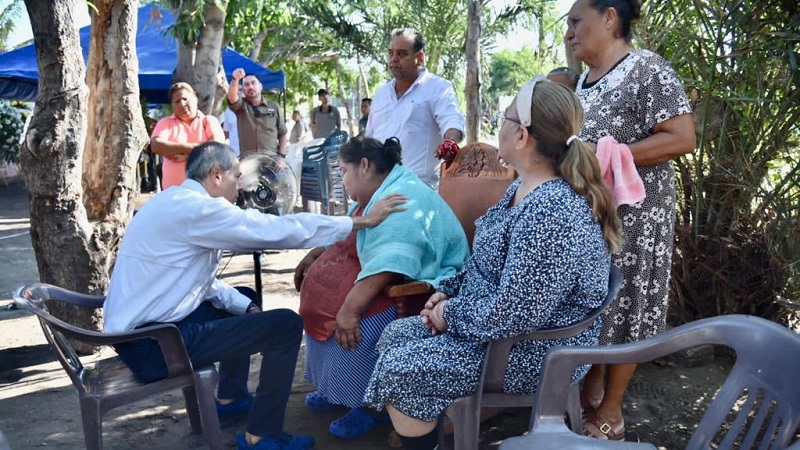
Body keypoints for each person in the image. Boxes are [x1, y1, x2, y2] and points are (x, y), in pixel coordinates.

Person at [362, 77, 623, 450]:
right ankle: (428, 432)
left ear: (522, 137)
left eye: (506, 117)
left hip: (535, 351)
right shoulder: (523, 188)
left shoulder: (550, 212)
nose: (499, 125)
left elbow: (515, 314)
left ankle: (424, 435)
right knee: (394, 336)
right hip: (503, 332)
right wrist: (446, 293)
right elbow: (487, 261)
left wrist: (449, 314)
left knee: (402, 368)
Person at [104, 141, 407, 450]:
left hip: (143, 335)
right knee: (285, 326)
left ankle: (230, 397)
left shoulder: (171, 200)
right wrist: (358, 221)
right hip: (154, 346)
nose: (243, 184)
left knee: (243, 297)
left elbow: (193, 283)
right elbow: (270, 229)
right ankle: (262, 436)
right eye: (237, 176)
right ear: (216, 174)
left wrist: (247, 307)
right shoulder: (197, 209)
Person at [565, 0, 696, 441]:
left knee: (631, 307)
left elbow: (682, 136)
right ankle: (592, 390)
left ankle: (613, 413)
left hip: (639, 217)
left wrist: (609, 155)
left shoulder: (647, 69)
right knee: (600, 304)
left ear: (609, 18)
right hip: (597, 217)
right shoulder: (583, 81)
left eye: (576, 22)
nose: (570, 33)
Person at [294, 136, 470, 441]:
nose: (343, 180)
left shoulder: (403, 197)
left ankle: (367, 405)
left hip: (418, 292)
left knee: (356, 317)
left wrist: (350, 308)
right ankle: (334, 388)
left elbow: (394, 260)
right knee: (329, 307)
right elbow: (352, 232)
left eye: (344, 171)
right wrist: (319, 252)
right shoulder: (377, 194)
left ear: (364, 166)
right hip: (374, 279)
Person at [365, 28, 465, 188]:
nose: (394, 59)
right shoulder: (381, 93)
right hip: (379, 189)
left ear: (420, 57)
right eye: (391, 53)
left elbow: (452, 120)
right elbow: (369, 139)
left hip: (419, 191)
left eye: (402, 54)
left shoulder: (438, 88)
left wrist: (449, 141)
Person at [150, 82, 225, 189]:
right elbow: (156, 146)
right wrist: (198, 148)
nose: (182, 104)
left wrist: (188, 155)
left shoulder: (208, 121)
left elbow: (217, 148)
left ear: (195, 99)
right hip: (174, 194)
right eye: (177, 101)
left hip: (206, 192)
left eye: (185, 99)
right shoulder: (165, 123)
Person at [228, 68, 288, 158]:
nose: (250, 87)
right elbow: (232, 98)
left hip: (272, 163)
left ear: (260, 86)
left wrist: (281, 157)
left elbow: (282, 133)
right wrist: (235, 79)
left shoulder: (274, 107)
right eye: (246, 85)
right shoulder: (240, 107)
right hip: (248, 164)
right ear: (243, 89)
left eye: (253, 83)